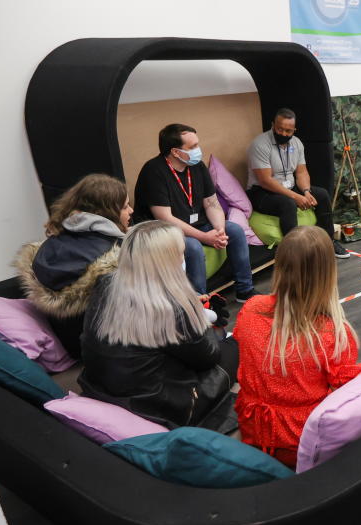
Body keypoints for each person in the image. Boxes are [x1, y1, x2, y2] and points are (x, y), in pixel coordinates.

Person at [78, 221, 236, 432]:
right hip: (158, 406)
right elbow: (208, 358)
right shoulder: (172, 306)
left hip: (101, 389)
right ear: (167, 262)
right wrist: (196, 315)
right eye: (182, 253)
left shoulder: (106, 284)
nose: (184, 258)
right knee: (237, 343)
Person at [233, 226, 361, 468]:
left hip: (252, 428)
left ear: (279, 264)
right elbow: (348, 393)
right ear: (328, 273)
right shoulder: (333, 334)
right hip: (299, 441)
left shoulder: (250, 309)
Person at [133, 123, 257, 301]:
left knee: (235, 231)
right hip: (164, 231)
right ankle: (199, 303)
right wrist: (205, 237)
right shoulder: (153, 171)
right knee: (192, 247)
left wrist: (219, 230)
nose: (198, 150)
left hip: (198, 223)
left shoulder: (197, 166)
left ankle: (245, 290)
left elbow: (212, 203)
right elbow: (165, 219)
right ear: (176, 152)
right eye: (193, 147)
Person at [14, 173, 132, 358]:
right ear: (107, 212)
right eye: (125, 206)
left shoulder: (52, 244)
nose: (131, 211)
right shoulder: (113, 256)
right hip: (109, 348)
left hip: (71, 342)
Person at [246, 108, 349, 259]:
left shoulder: (297, 143)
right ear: (273, 125)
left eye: (288, 131)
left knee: (321, 194)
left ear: (294, 130)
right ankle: (295, 253)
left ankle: (329, 240)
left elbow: (301, 172)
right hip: (262, 191)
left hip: (289, 187)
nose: (283, 134)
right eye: (279, 129)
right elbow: (265, 181)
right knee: (288, 203)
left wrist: (306, 191)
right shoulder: (260, 144)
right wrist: (296, 197)